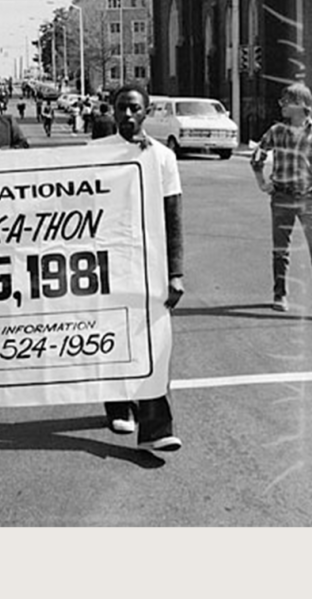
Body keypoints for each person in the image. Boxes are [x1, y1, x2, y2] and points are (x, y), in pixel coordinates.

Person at [91, 85, 184, 454]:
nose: (127, 115)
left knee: (152, 342)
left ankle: (157, 426)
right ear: (112, 112)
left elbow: (173, 217)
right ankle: (118, 405)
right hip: (105, 264)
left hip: (148, 264)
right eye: (120, 109)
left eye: (134, 109)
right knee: (110, 335)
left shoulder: (162, 157)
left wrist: (176, 272)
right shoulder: (96, 153)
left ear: (146, 112)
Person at [250, 82, 312, 312]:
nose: (282, 106)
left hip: (309, 199)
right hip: (282, 198)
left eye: (286, 101)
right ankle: (280, 295)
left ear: (301, 104)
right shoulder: (276, 131)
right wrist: (262, 183)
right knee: (280, 250)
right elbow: (257, 155)